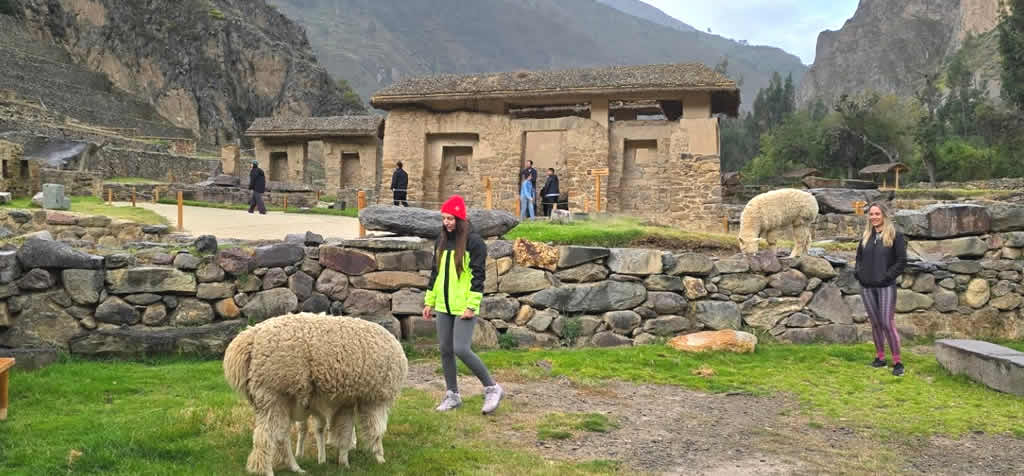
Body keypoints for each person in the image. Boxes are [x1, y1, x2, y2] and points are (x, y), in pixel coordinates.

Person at [422, 195, 504, 414]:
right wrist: (429, 301)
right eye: (444, 218)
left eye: (451, 218)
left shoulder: (474, 242)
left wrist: (471, 305)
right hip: (443, 305)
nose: (447, 222)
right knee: (446, 350)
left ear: (460, 218)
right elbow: (435, 273)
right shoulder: (440, 241)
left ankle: (492, 388)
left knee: (461, 349)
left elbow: (478, 277)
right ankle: (452, 395)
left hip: (464, 305)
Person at [854, 202, 908, 377]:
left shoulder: (895, 236)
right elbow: (859, 259)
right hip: (867, 286)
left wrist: (887, 276)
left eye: (877, 214)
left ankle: (897, 361)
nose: (874, 217)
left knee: (886, 323)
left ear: (884, 215)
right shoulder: (866, 236)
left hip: (885, 286)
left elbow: (901, 261)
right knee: (875, 324)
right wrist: (859, 274)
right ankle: (880, 357)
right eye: (871, 214)